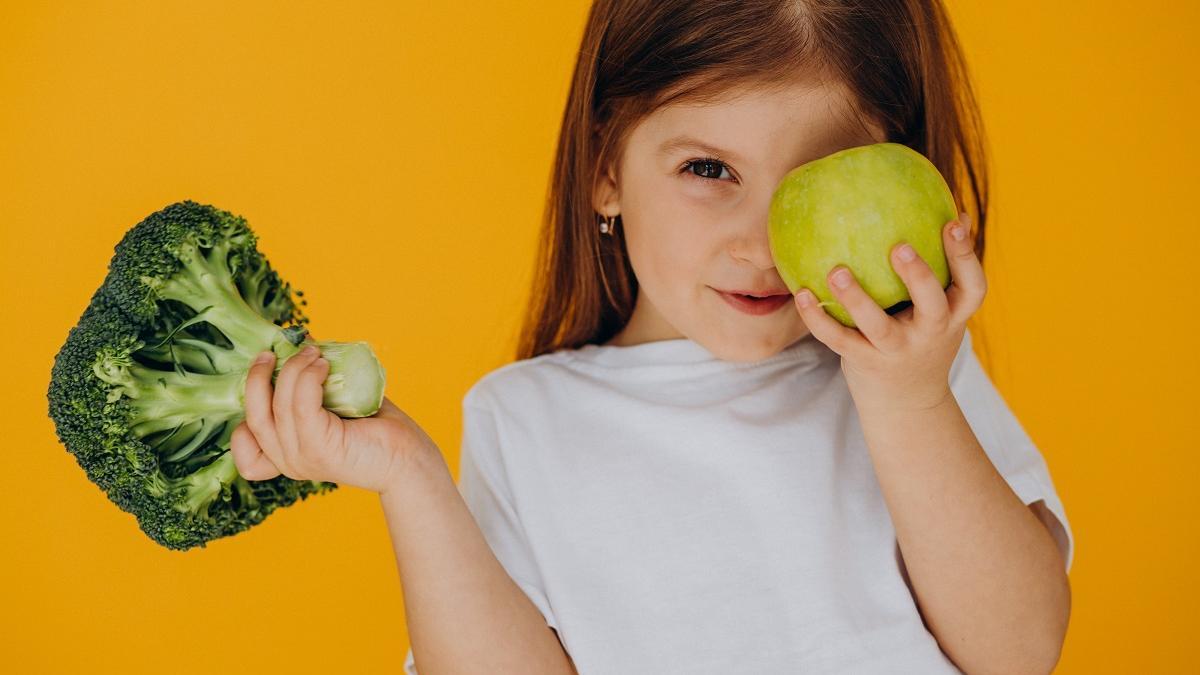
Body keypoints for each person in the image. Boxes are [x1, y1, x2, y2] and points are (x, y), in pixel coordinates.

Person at [229, 0, 1074, 673]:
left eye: (815, 180)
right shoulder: (528, 419)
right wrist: (411, 480)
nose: (764, 241)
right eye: (709, 170)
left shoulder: (908, 364)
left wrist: (910, 394)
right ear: (606, 171)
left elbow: (1018, 650)